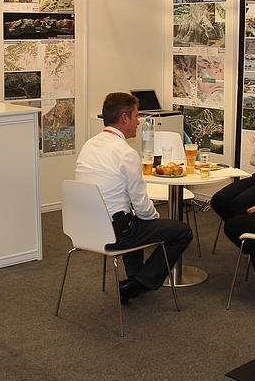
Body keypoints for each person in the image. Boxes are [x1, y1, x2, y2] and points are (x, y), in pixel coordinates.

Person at [75, 92, 193, 304]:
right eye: (136, 116)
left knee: (131, 219)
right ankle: (138, 283)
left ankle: (135, 278)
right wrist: (155, 218)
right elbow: (143, 207)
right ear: (124, 117)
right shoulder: (126, 153)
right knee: (181, 231)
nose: (138, 122)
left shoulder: (89, 145)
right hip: (115, 232)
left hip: (85, 226)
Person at [210, 98, 255, 274]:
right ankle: (253, 245)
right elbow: (253, 158)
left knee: (237, 204)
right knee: (219, 200)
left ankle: (254, 244)